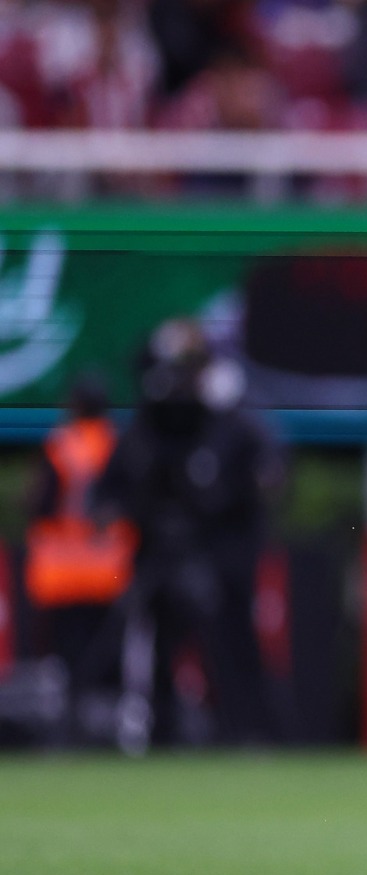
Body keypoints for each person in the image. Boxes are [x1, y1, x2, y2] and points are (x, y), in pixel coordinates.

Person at [95, 319, 282, 751]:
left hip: (219, 550)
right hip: (159, 549)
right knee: (158, 640)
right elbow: (121, 483)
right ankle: (159, 728)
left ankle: (246, 730)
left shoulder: (228, 422)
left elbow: (259, 472)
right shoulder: (149, 428)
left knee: (230, 641)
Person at [23, 375, 136, 741]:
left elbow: (41, 504)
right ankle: (109, 731)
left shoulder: (62, 444)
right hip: (108, 573)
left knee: (67, 658)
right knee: (105, 656)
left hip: (63, 573)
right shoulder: (118, 443)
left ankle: (70, 731)